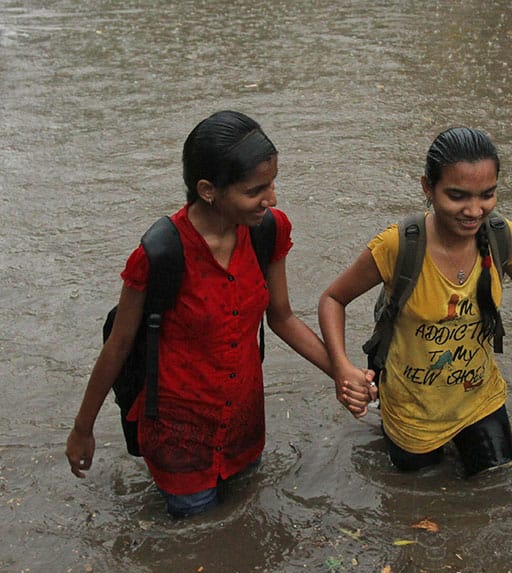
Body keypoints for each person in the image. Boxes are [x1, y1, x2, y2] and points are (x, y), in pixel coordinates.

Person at [65, 111, 333, 517]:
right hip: (179, 437)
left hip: (245, 426)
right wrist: (82, 429)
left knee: (243, 527)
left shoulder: (268, 230)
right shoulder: (158, 254)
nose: (272, 198)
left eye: (273, 183)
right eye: (255, 189)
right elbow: (118, 346)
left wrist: (342, 371)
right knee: (194, 536)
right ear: (208, 190)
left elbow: (282, 318)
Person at [318, 127, 512, 476]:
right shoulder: (399, 246)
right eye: (457, 196)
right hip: (412, 412)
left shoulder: (501, 236)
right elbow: (333, 299)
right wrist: (342, 368)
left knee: (499, 490)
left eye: (487, 195)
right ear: (427, 187)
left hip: (481, 399)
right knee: (420, 507)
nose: (474, 210)